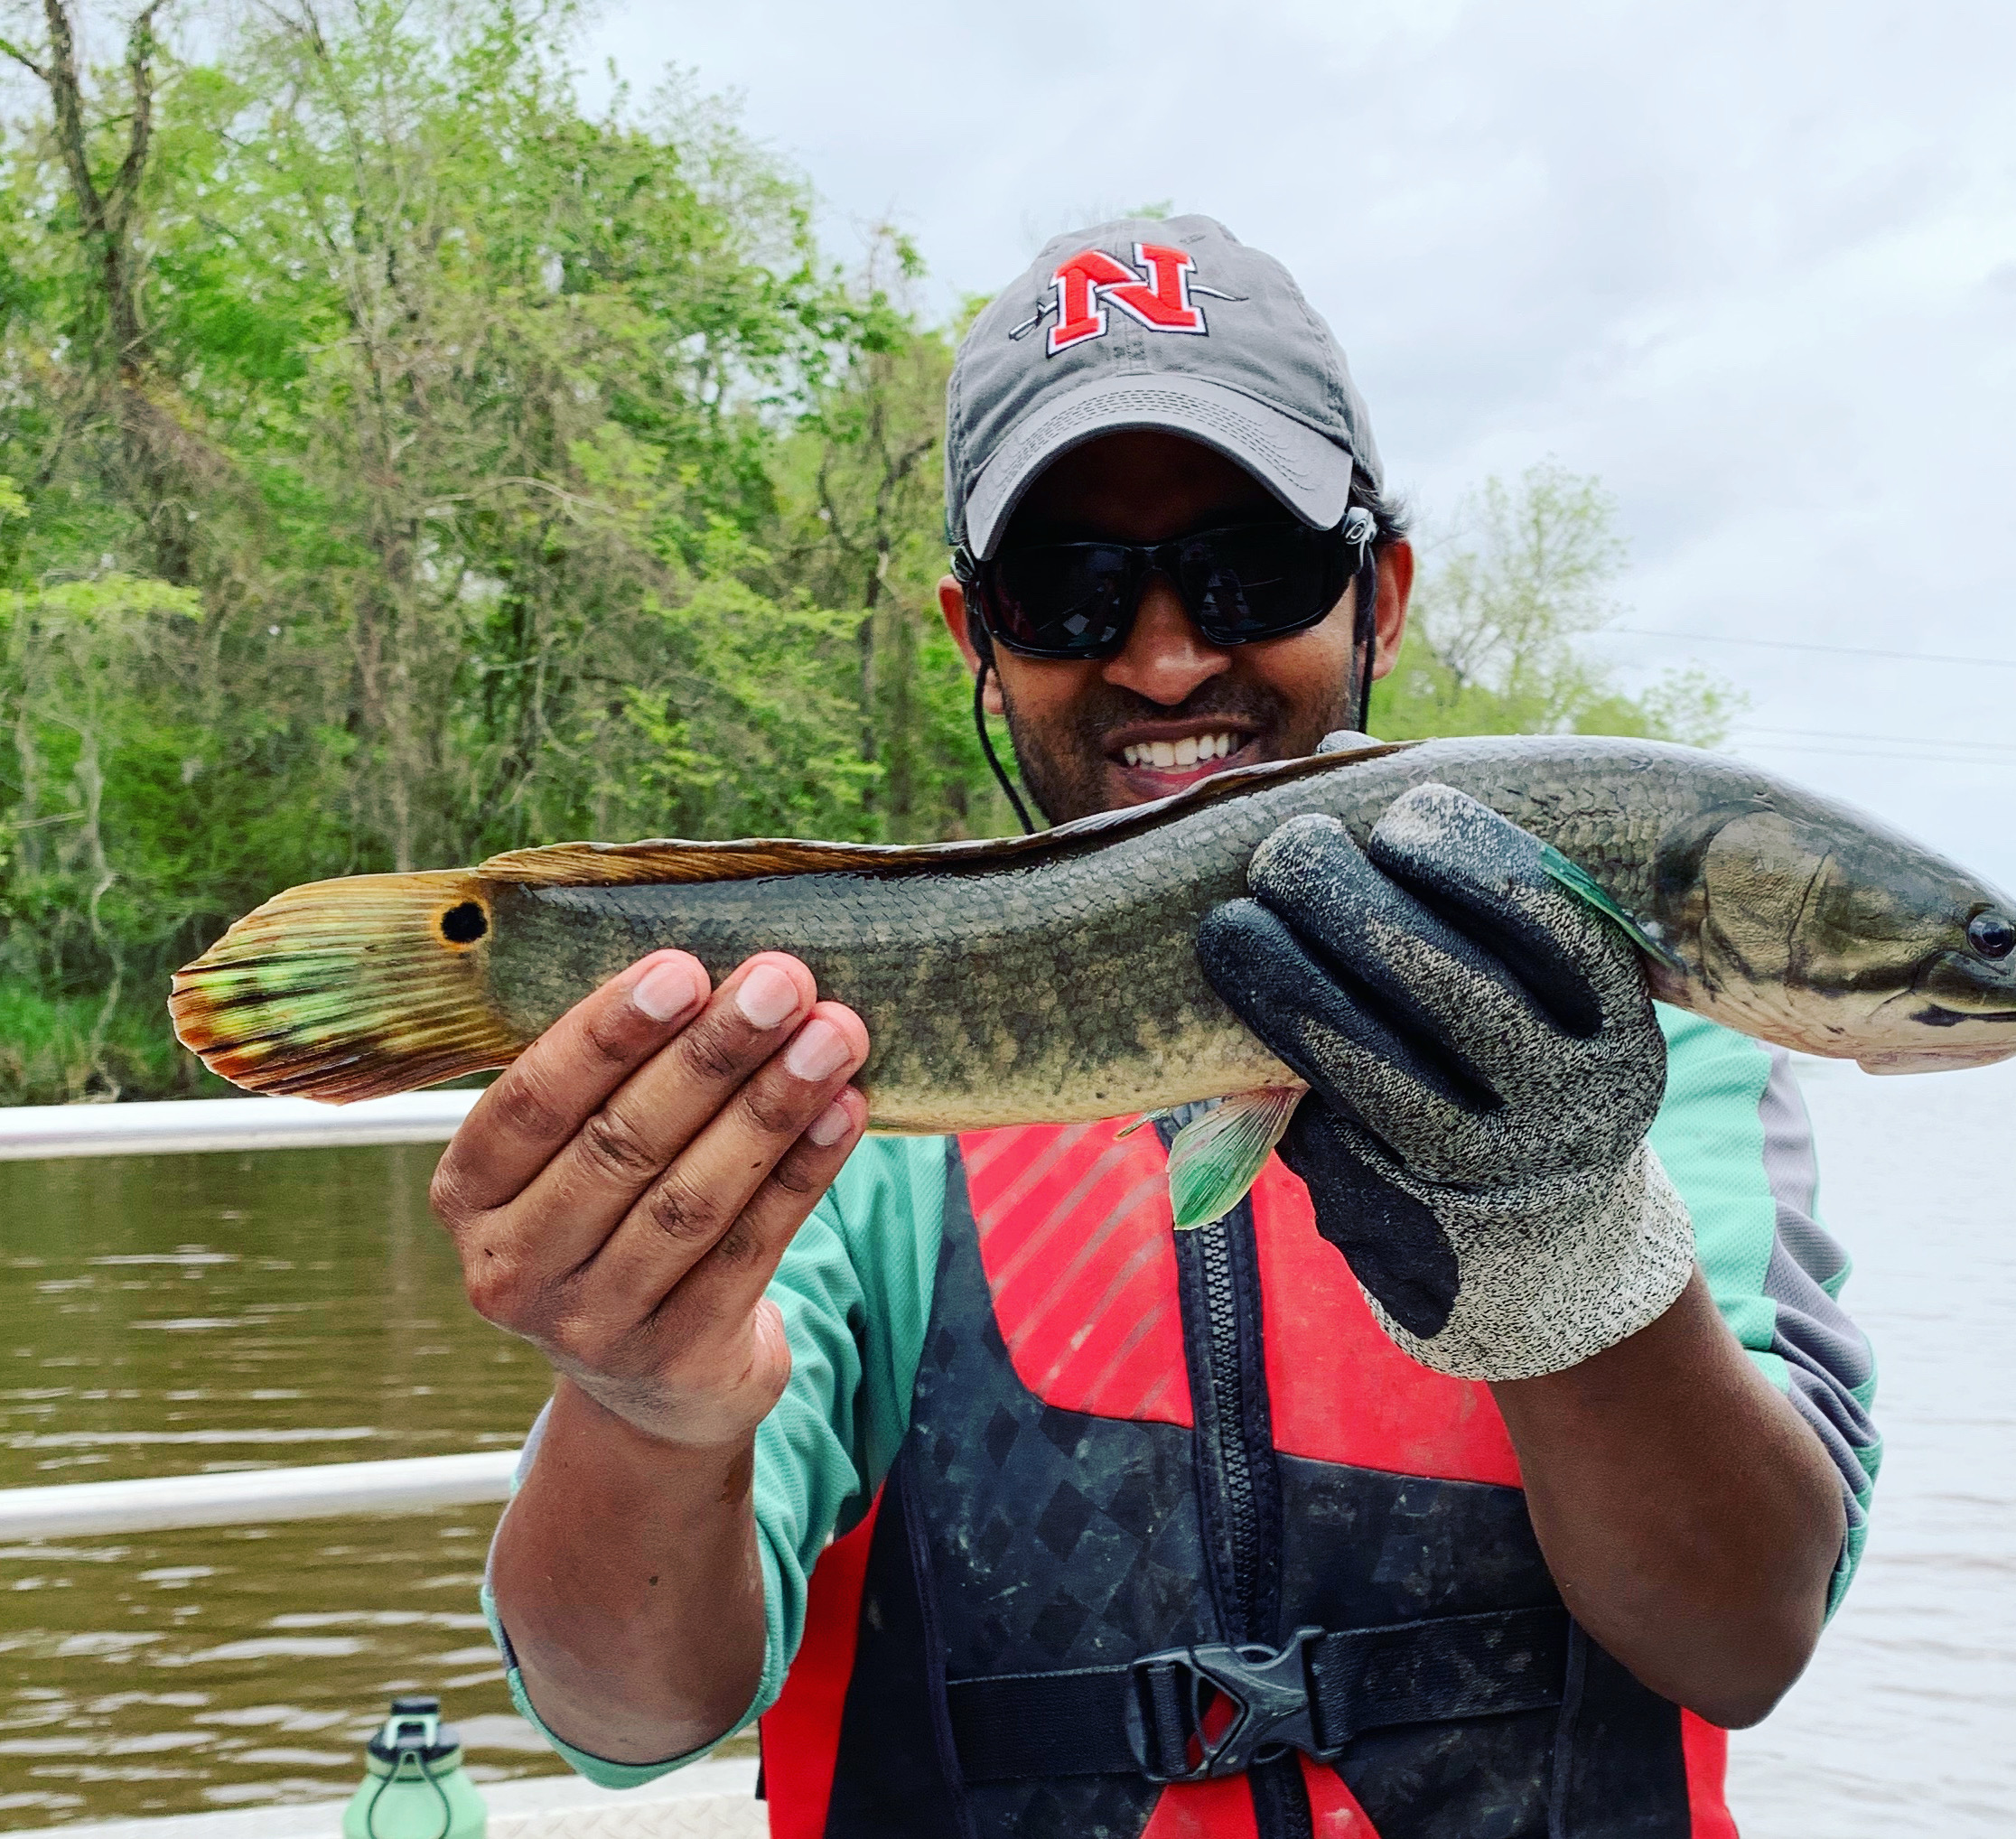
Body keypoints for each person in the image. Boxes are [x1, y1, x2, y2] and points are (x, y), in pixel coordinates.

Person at [442, 215, 1880, 1838]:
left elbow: (1740, 1639)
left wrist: (1567, 1243)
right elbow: (624, 1713)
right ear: (976, 639)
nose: (1168, 652)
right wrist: (640, 1400)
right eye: (1067, 591)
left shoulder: (1645, 1046)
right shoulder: (831, 1085)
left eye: (1247, 569)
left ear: (1376, 597)